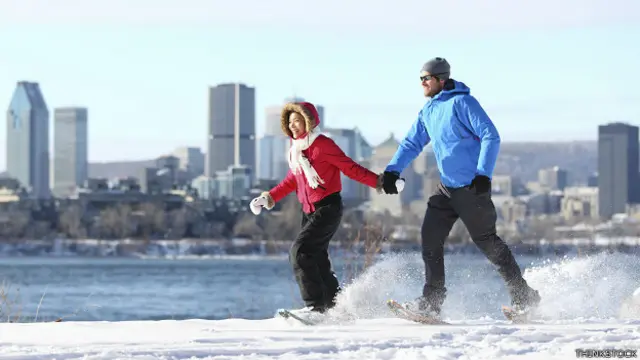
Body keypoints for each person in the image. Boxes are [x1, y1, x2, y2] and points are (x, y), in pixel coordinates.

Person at [380, 57, 541, 317]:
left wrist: (483, 175)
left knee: (487, 242)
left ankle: (525, 297)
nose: (422, 83)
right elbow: (411, 143)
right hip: (446, 188)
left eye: (426, 78)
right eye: (420, 78)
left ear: (441, 80)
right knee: (430, 237)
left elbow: (491, 135)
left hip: (471, 188)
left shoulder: (462, 102)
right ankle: (431, 303)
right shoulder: (428, 110)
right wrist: (392, 170)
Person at [249, 101, 385, 315]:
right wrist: (268, 198)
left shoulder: (323, 145)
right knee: (317, 259)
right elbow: (291, 181)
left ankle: (314, 307)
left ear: (308, 121)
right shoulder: (296, 152)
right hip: (309, 211)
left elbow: (350, 168)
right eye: (290, 122)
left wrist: (379, 182)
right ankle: (334, 307)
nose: (293, 126)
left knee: (301, 252)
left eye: (298, 121)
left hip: (328, 207)